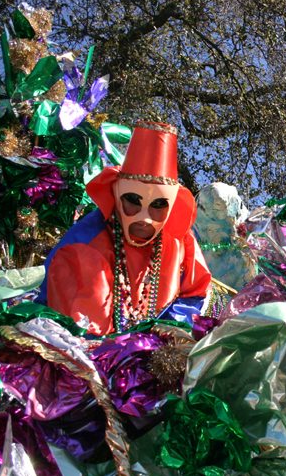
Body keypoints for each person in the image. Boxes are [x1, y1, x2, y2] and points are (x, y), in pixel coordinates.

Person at [37, 122, 212, 335]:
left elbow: (195, 293)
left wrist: (165, 332)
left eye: (158, 205)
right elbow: (83, 329)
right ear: (116, 194)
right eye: (133, 200)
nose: (144, 218)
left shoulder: (180, 241)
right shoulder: (86, 244)